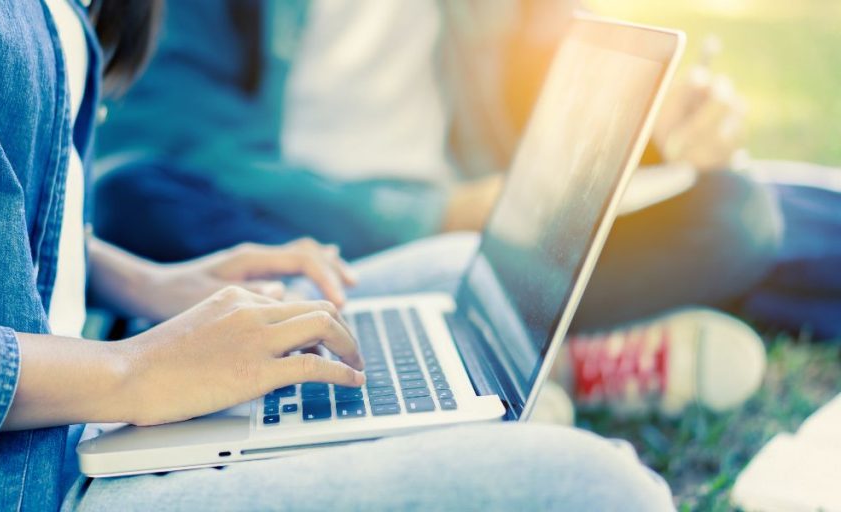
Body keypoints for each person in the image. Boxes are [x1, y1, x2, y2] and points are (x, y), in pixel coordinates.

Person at [0, 1, 675, 510]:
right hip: (12, 478)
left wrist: (155, 286)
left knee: (453, 276)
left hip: (90, 391)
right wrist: (127, 374)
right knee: (600, 492)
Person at [91, 0, 788, 420]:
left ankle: (490, 353)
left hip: (480, 226)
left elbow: (552, 71)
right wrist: (432, 216)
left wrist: (658, 128)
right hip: (281, 224)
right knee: (136, 201)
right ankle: (556, 354)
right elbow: (167, 137)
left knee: (738, 214)